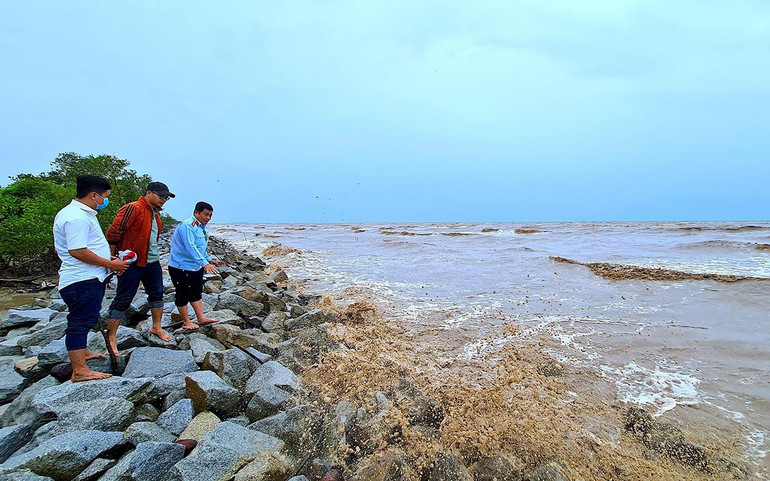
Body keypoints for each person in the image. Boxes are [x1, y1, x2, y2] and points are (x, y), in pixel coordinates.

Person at [53, 175, 130, 382]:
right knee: (80, 321)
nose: (106, 200)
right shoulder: (77, 217)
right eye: (105, 196)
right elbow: (78, 250)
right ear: (94, 195)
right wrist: (110, 264)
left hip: (87, 277)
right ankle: (80, 370)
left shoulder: (81, 213)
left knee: (85, 318)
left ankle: (83, 352)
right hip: (82, 280)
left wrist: (109, 258)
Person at [104, 181, 175, 352]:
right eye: (161, 196)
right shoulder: (133, 208)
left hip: (152, 262)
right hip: (132, 263)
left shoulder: (155, 215)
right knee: (123, 299)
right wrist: (113, 257)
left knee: (157, 294)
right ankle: (111, 337)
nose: (164, 199)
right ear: (149, 193)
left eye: (166, 197)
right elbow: (114, 232)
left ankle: (156, 326)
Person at [168, 201, 226, 329]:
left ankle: (201, 318)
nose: (208, 218)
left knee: (196, 292)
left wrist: (210, 260)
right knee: (182, 294)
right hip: (181, 267)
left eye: (210, 215)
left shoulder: (201, 227)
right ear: (196, 213)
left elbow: (200, 248)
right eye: (206, 214)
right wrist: (205, 264)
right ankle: (186, 322)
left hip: (195, 266)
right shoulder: (188, 226)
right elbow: (191, 247)